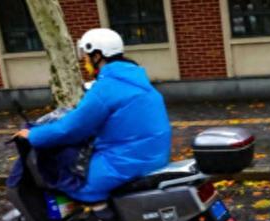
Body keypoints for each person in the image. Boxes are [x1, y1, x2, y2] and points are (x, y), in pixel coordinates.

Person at [13, 28, 172, 204]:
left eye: (87, 57)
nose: (85, 62)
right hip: (154, 157)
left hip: (126, 163)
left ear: (97, 56)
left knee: (76, 184)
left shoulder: (106, 88)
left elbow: (71, 129)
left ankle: (102, 217)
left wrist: (34, 135)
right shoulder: (139, 82)